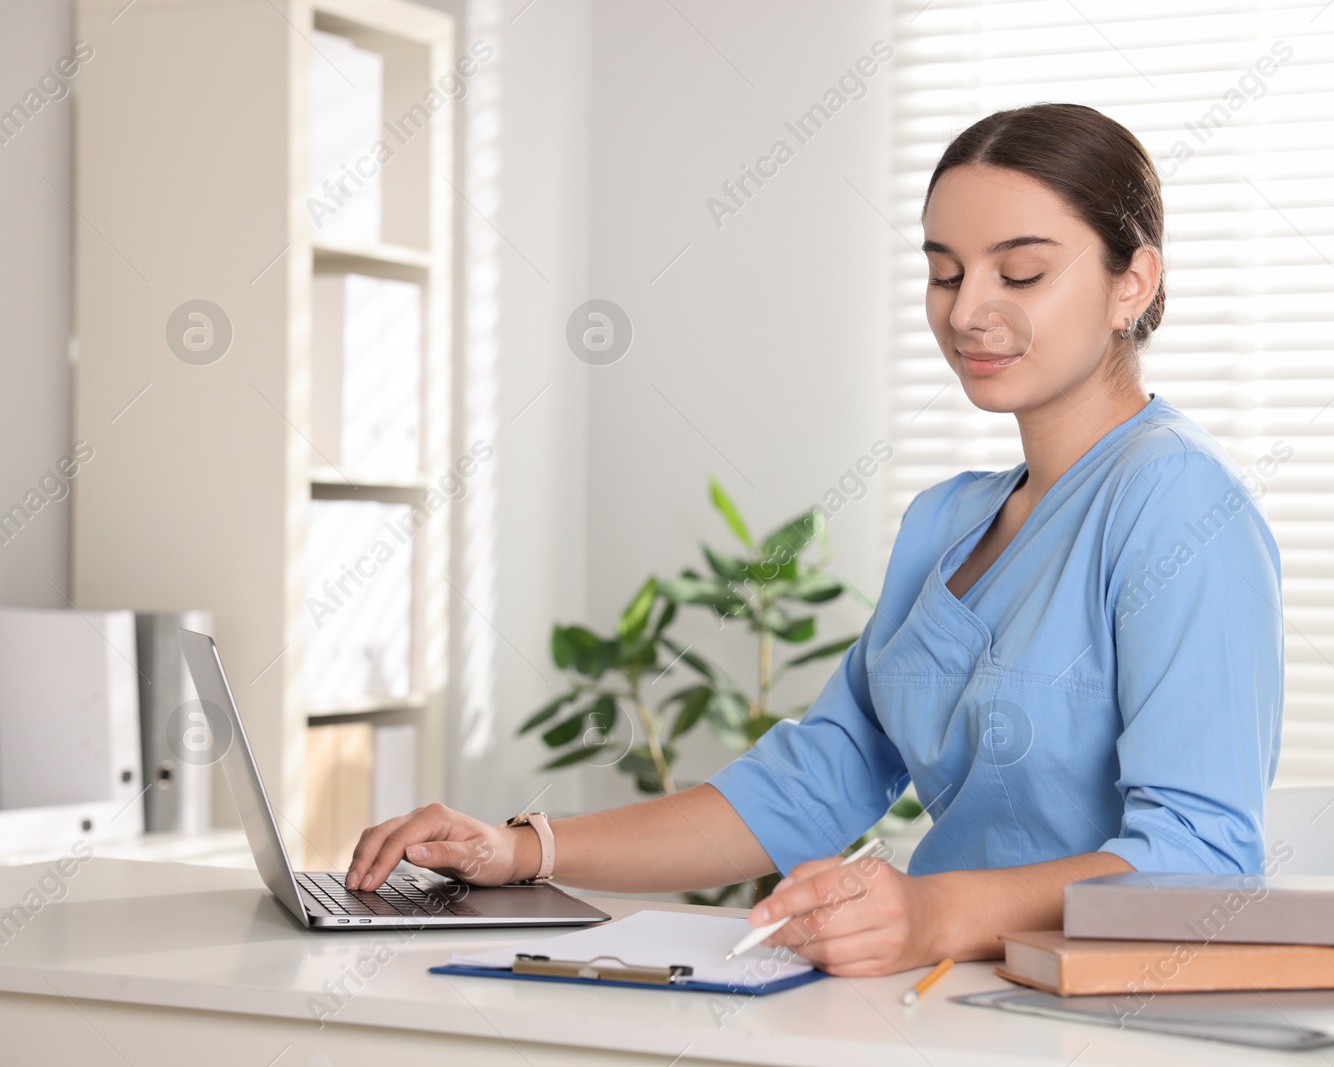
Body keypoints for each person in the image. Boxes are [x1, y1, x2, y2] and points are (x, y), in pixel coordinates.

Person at [345, 103, 1284, 978]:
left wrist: (931, 914)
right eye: (946, 270)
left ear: (1134, 282)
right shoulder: (948, 522)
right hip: (939, 995)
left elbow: (1198, 863)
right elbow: (814, 781)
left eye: (1022, 273)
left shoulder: (1177, 502)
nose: (965, 311)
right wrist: (523, 849)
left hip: (1083, 1017)